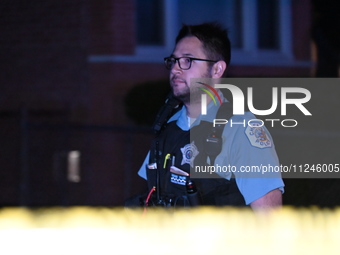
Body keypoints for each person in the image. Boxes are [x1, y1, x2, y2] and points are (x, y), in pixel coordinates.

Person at [135, 23, 284, 209]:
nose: (175, 69)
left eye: (187, 60)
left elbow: (269, 221)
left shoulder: (241, 130)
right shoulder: (167, 127)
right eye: (173, 61)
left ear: (217, 70)